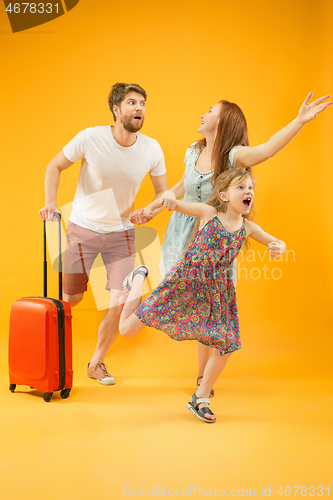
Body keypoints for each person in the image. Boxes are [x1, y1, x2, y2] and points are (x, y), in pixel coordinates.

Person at [130, 91, 331, 397]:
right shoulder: (192, 151)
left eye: (209, 110)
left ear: (221, 121)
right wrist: (149, 210)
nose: (202, 115)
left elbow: (269, 149)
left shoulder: (233, 156)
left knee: (208, 305)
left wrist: (300, 120)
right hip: (183, 233)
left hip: (212, 239)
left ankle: (201, 379)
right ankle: (137, 302)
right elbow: (178, 189)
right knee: (183, 297)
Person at [119, 168, 286, 423]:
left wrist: (279, 246)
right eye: (240, 187)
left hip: (218, 291)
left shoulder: (249, 227)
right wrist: (170, 201)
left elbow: (277, 241)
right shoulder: (210, 213)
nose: (247, 191)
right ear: (224, 195)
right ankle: (138, 279)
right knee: (126, 331)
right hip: (184, 282)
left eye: (250, 188)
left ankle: (201, 396)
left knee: (227, 342)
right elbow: (180, 205)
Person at [39, 82, 168, 386]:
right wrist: (50, 203)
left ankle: (96, 363)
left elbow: (163, 193)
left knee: (118, 301)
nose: (139, 108)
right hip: (82, 228)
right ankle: (49, 357)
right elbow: (54, 166)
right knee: (71, 297)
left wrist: (148, 211)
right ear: (116, 109)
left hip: (120, 233)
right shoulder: (90, 137)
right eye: (132, 103)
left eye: (143, 103)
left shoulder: (151, 148)